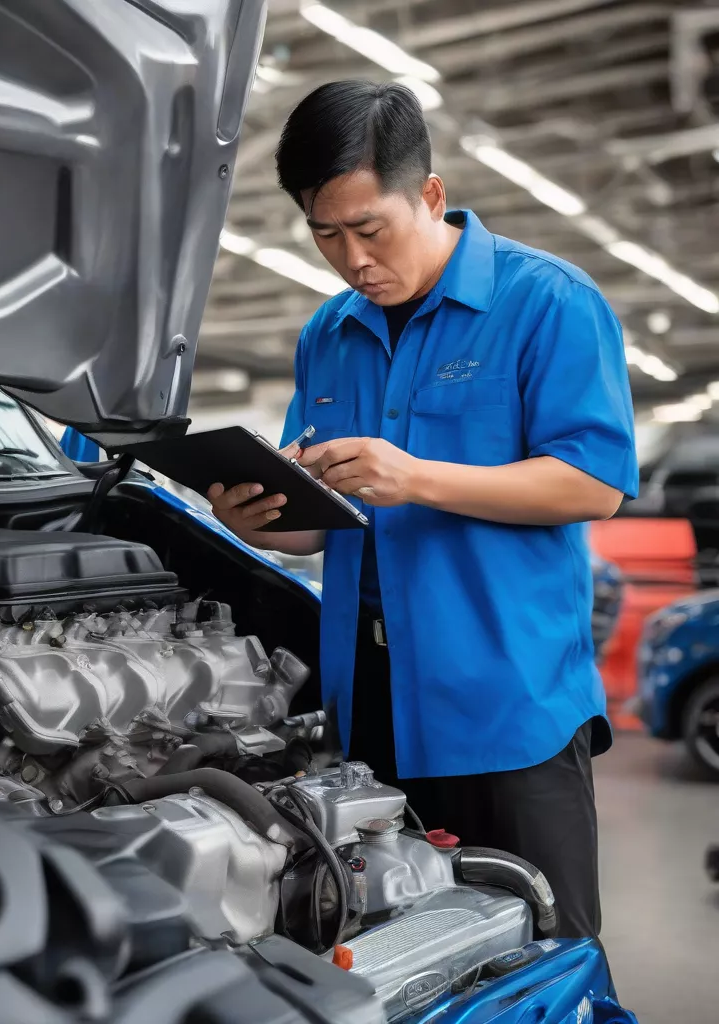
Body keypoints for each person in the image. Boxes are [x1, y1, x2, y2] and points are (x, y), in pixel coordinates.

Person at [207, 80, 637, 940]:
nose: (353, 258)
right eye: (326, 234)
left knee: (543, 950)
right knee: (391, 945)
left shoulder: (546, 302)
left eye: (371, 228)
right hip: (367, 707)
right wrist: (256, 517)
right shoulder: (329, 332)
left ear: (430, 195)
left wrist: (419, 478)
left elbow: (593, 483)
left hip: (506, 707)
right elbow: (318, 516)